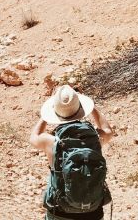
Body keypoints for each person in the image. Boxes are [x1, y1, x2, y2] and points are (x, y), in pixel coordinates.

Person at [31, 85, 114, 220]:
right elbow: (108, 131)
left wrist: (45, 115)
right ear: (81, 108)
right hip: (93, 211)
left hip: (60, 211)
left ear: (54, 111)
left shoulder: (52, 141)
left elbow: (34, 136)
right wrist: (92, 108)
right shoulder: (94, 139)